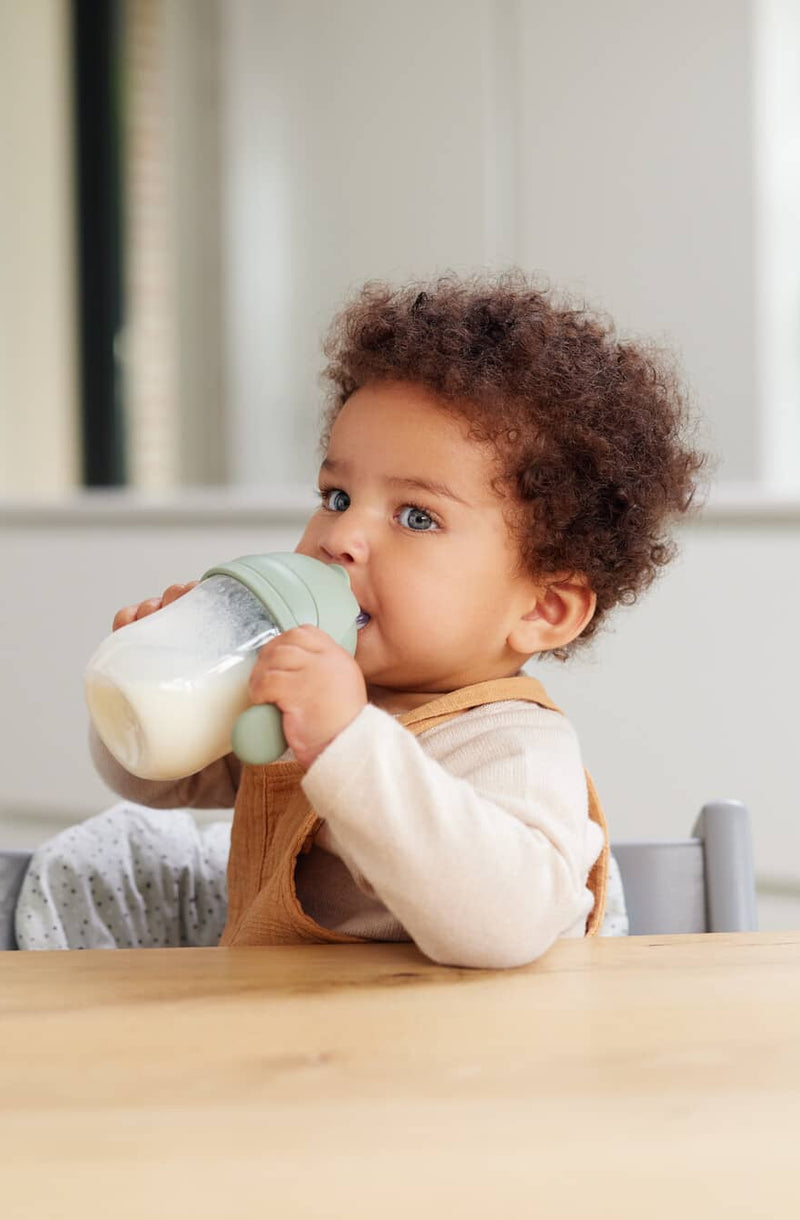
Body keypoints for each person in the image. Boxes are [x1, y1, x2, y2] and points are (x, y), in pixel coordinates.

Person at [15, 273, 704, 965]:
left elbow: (502, 925)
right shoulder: (305, 690)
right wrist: (166, 675)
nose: (340, 536)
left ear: (543, 608)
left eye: (416, 516)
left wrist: (345, 743)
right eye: (338, 496)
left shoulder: (514, 750)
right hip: (296, 1045)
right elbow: (153, 780)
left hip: (455, 1060)